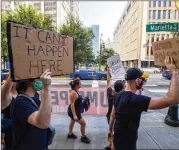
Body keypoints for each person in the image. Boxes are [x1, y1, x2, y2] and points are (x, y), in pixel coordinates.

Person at [108, 56, 179, 150]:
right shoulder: (136, 100)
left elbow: (112, 116)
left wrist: (110, 131)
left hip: (116, 140)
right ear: (137, 80)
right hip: (127, 145)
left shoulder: (119, 95)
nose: (143, 81)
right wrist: (174, 72)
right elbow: (172, 99)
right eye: (142, 79)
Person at [10, 69, 52, 150]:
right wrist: (46, 88)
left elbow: (48, 113)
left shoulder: (35, 96)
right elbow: (43, 123)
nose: (43, 79)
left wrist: (45, 91)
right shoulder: (20, 102)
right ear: (31, 81)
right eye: (41, 77)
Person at [105, 67, 125, 150]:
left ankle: (109, 145)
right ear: (123, 88)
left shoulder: (110, 92)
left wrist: (108, 72)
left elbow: (108, 82)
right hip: (117, 117)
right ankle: (111, 146)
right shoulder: (123, 96)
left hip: (109, 115)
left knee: (111, 131)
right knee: (116, 134)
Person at [67, 78, 91, 143]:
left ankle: (70, 134)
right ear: (77, 85)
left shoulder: (76, 90)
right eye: (80, 83)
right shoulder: (73, 93)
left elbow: (76, 100)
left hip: (75, 110)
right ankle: (83, 137)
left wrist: (83, 99)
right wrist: (74, 115)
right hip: (73, 111)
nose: (81, 84)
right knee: (83, 123)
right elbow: (72, 104)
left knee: (72, 122)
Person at [1, 73, 17, 150]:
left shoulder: (21, 95)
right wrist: (12, 74)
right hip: (11, 136)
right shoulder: (6, 97)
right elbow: (5, 91)